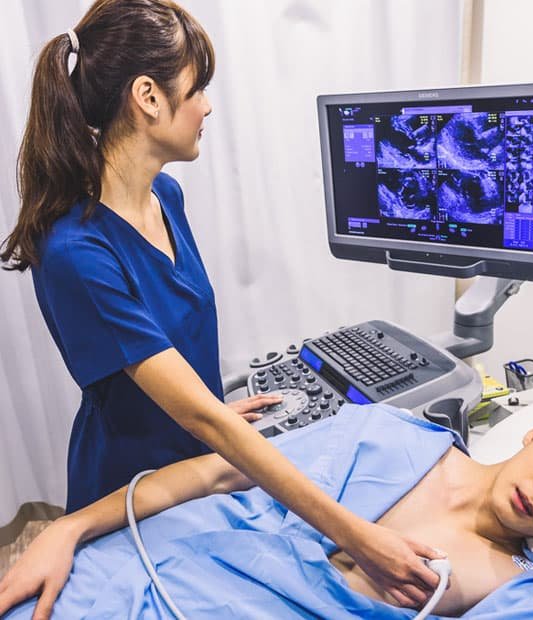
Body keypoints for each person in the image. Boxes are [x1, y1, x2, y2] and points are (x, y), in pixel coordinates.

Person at [0, 0, 444, 609]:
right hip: (132, 484)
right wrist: (360, 538)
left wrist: (215, 412)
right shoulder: (78, 251)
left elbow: (180, 363)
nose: (207, 105)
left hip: (202, 457)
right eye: (198, 87)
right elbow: (196, 417)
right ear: (149, 97)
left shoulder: (166, 196)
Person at [0, 398, 533, 618]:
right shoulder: (389, 433)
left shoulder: (532, 594)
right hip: (154, 570)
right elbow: (216, 474)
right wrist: (68, 527)